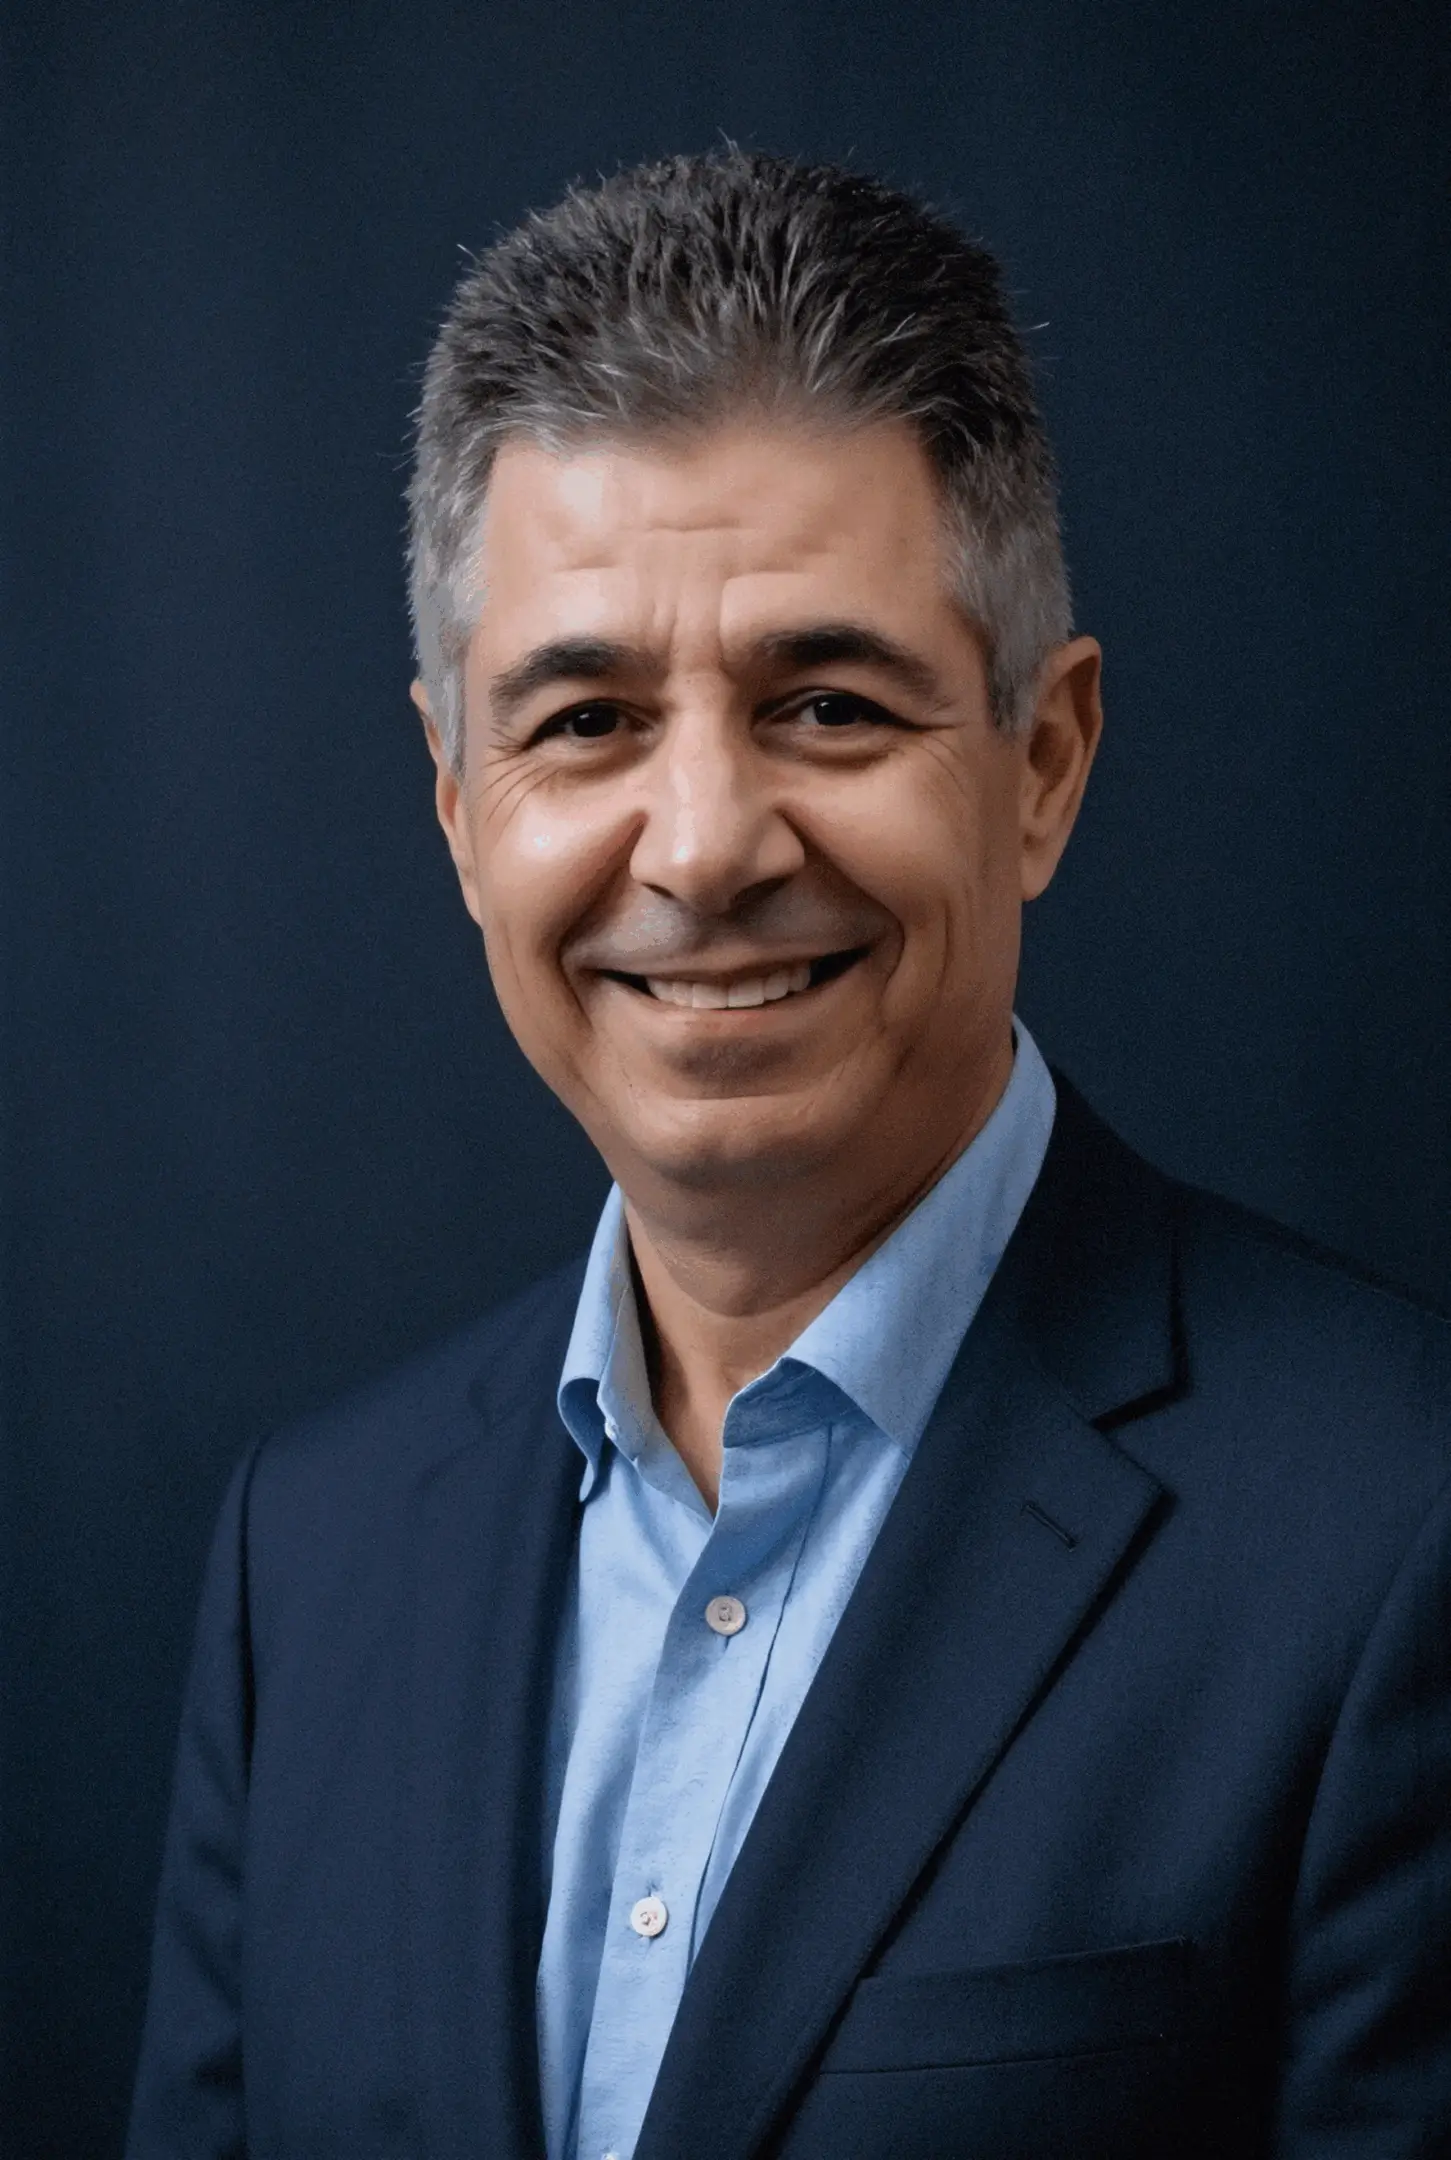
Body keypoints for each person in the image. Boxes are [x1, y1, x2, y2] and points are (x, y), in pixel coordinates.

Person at [127, 150, 1451, 2160]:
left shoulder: (1392, 1528)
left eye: (824, 703)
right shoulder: (299, 1566)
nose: (702, 845)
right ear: (455, 803)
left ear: (1042, 766)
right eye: (580, 721)